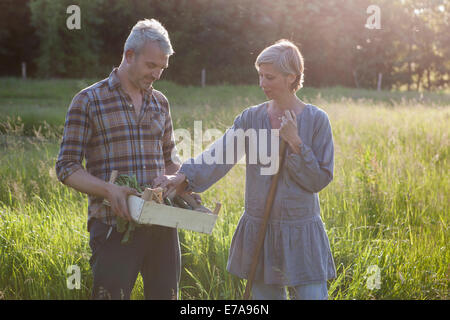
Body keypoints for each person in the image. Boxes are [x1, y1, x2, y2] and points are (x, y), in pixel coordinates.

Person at [155, 39, 336, 300]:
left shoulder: (317, 120)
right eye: (260, 75)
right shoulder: (251, 118)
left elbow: (318, 179)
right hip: (260, 231)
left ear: (291, 77)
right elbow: (218, 155)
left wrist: (295, 142)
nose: (262, 83)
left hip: (301, 232)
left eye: (270, 77)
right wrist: (182, 176)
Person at [55, 19, 182, 300]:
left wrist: (178, 179)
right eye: (151, 66)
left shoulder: (160, 102)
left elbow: (170, 159)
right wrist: (109, 190)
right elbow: (66, 167)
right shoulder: (88, 101)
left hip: (161, 225)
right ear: (129, 56)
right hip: (113, 225)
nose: (157, 74)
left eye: (162, 68)